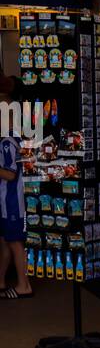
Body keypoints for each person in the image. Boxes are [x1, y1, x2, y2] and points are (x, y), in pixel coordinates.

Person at [0, 124, 32, 298]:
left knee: (15, 242)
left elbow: (10, 174)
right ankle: (2, 281)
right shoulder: (16, 137)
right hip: (11, 200)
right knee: (6, 240)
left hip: (12, 200)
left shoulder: (7, 141)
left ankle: (23, 285)